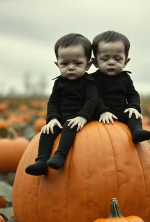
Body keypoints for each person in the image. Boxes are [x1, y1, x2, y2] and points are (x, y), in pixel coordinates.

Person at [25, 33, 97, 175]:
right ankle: (41, 161)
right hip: (61, 118)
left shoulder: (89, 82)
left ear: (88, 64)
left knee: (68, 128)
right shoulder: (59, 83)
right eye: (65, 64)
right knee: (46, 132)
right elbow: (53, 102)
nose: (70, 67)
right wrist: (52, 119)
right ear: (57, 64)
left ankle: (60, 155)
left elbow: (92, 100)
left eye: (77, 63)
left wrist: (83, 116)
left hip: (80, 119)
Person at [91, 30, 150, 143]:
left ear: (126, 61)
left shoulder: (125, 78)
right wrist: (103, 111)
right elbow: (94, 97)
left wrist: (134, 107)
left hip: (121, 111)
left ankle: (137, 131)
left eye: (117, 59)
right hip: (100, 114)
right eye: (105, 59)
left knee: (134, 116)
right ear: (95, 62)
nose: (111, 62)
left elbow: (133, 94)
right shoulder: (93, 79)